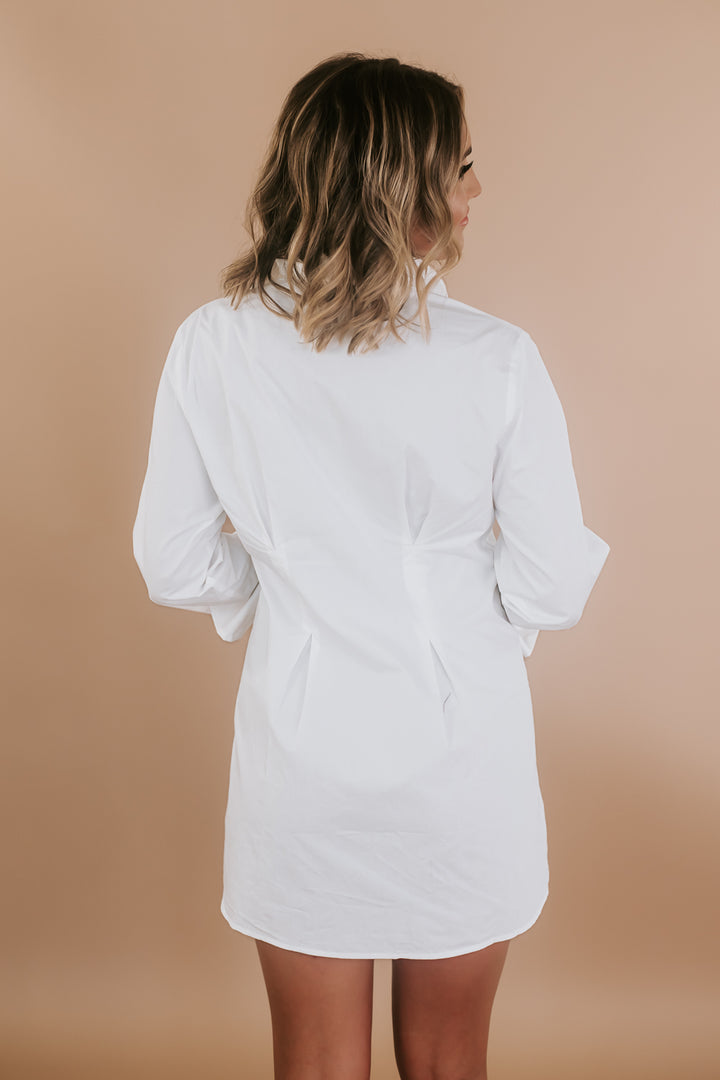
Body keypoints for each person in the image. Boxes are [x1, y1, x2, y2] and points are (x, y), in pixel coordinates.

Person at [132, 52, 610, 1080]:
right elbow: (551, 586)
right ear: (407, 188)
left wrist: (288, 584)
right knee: (448, 1062)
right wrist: (455, 600)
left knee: (314, 1066)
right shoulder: (496, 358)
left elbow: (171, 559)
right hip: (460, 761)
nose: (478, 190)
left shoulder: (212, 344)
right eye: (462, 166)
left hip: (301, 764)